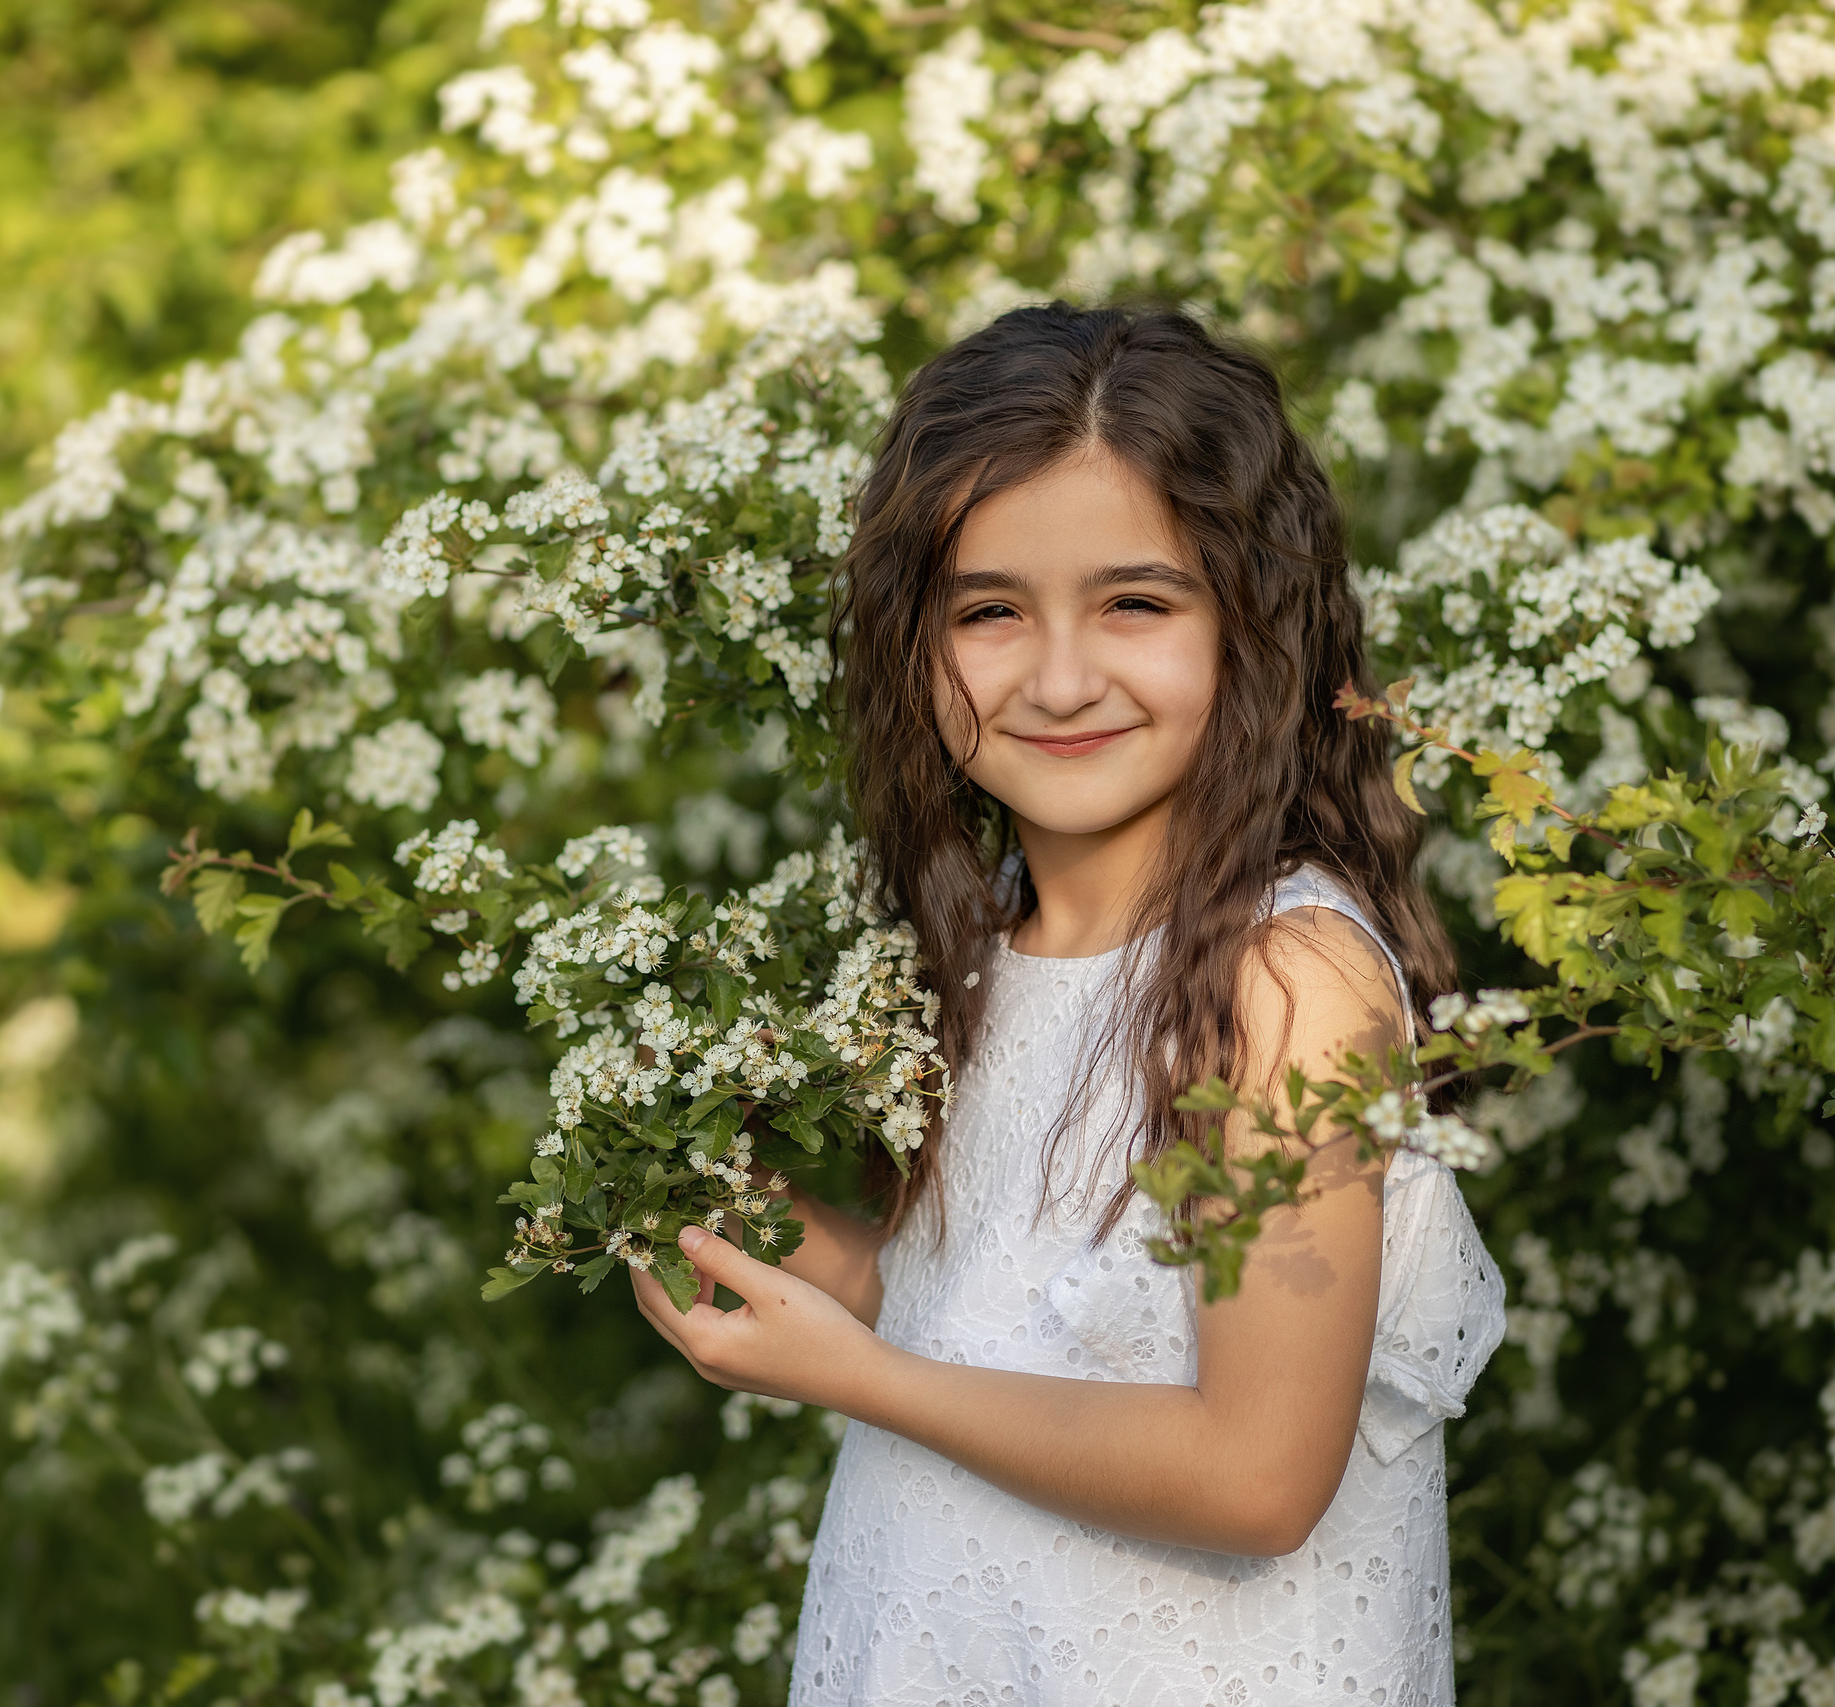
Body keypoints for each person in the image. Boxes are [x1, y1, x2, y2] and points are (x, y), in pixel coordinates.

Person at [628, 304, 1507, 1705]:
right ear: (917, 644)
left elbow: (1260, 1473)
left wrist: (853, 1373)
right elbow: (983, 1306)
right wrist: (790, 1253)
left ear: (1257, 625)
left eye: (1136, 602)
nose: (1057, 678)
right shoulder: (979, 945)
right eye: (990, 611)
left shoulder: (1283, 977)